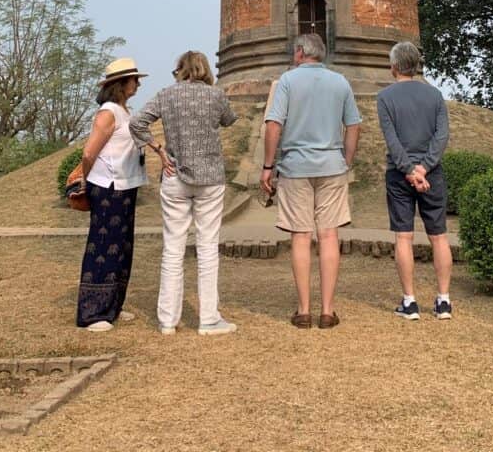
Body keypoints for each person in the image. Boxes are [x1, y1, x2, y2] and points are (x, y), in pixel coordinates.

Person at [129, 50, 238, 337]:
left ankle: (167, 320)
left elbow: (136, 122)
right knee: (207, 247)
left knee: (173, 249)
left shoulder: (167, 95)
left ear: (180, 69)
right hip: (209, 178)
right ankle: (209, 319)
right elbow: (230, 119)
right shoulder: (215, 95)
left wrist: (158, 149)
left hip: (174, 175)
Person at [260, 33, 361, 329]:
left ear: (301, 52)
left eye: (295, 51)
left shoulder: (287, 81)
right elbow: (354, 125)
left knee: (301, 237)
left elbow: (274, 124)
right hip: (332, 166)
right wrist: (346, 160)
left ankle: (303, 310)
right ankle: (327, 311)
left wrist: (267, 166)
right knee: (329, 236)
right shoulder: (340, 81)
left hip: (295, 167)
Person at [76, 57, 168, 332]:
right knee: (103, 247)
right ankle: (92, 312)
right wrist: (85, 179)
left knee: (122, 247)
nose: (137, 84)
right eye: (134, 79)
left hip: (125, 185)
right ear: (121, 83)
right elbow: (89, 152)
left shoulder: (123, 112)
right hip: (108, 185)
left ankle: (112, 305)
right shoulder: (108, 113)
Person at [377, 41, 453, 321]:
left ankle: (409, 302)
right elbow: (442, 136)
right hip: (432, 174)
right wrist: (425, 167)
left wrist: (410, 170)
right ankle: (443, 301)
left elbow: (392, 140)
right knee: (439, 236)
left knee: (403, 237)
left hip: (400, 174)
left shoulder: (385, 97)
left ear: (393, 67)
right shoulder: (435, 95)